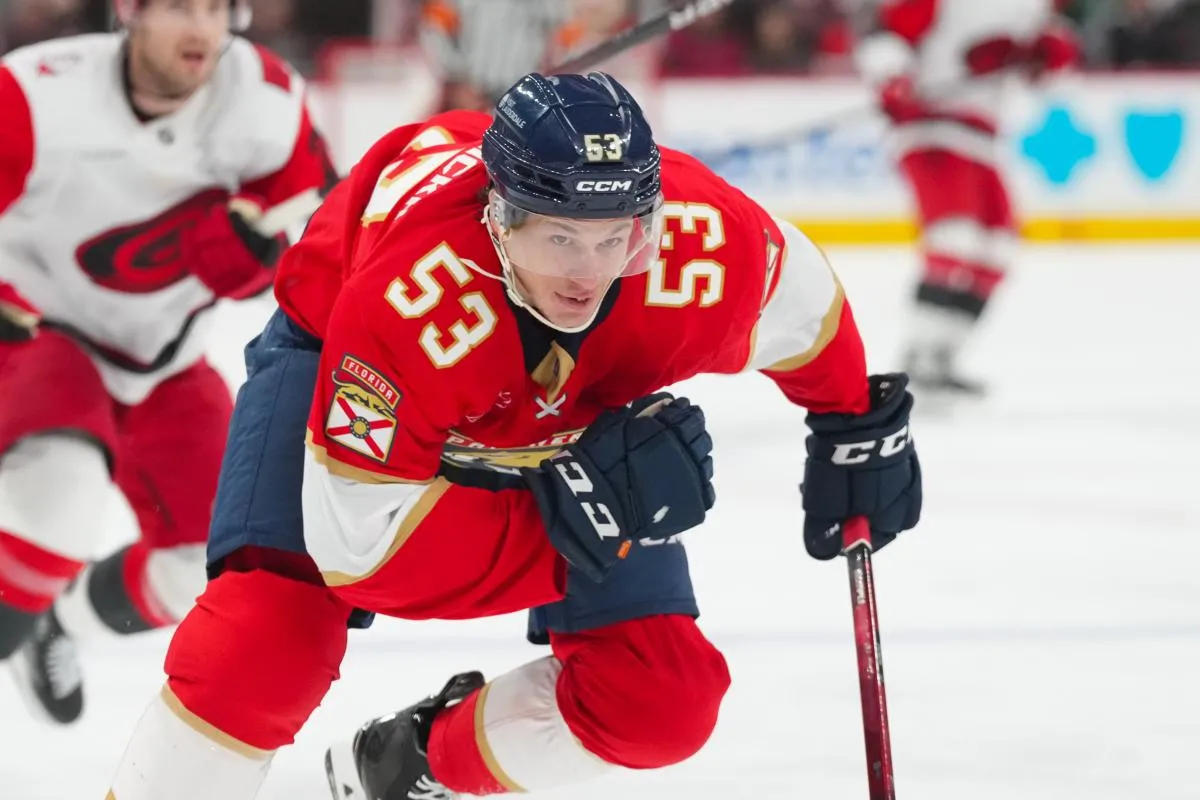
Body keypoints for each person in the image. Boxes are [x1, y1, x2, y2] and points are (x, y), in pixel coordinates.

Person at [106, 71, 923, 800]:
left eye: (616, 237)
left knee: (659, 701)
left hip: (567, 420)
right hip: (337, 356)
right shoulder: (407, 301)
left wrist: (851, 420)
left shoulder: (697, 245)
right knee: (261, 645)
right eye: (560, 236)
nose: (588, 272)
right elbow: (361, 553)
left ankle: (409, 765)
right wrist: (583, 522)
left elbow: (802, 303)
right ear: (499, 219)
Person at [0, 0, 336, 726]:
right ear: (130, 10)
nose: (203, 30)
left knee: (215, 564)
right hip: (41, 333)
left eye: (218, 8)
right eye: (181, 6)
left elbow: (321, 234)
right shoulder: (35, 92)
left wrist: (256, 264)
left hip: (166, 360)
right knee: (57, 503)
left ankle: (61, 621)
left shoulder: (267, 99)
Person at [855, 0, 1078, 396]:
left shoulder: (1033, 7)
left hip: (984, 138)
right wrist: (893, 77)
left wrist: (1046, 58)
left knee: (997, 251)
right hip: (933, 125)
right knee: (954, 239)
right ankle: (918, 359)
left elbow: (1044, 72)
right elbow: (884, 37)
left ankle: (941, 357)